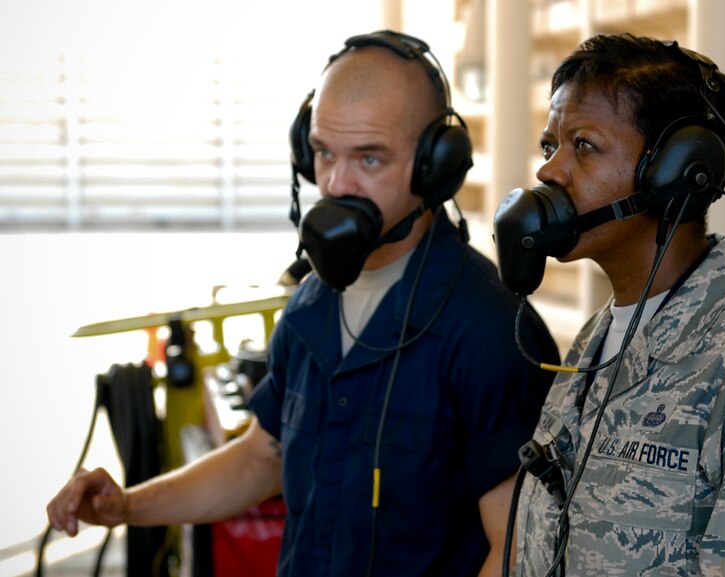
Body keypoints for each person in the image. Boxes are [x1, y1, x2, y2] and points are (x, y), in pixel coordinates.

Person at [46, 30, 559, 577]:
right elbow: (257, 459)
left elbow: (514, 551)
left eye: (369, 158)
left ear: (434, 167)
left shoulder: (491, 330)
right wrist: (128, 505)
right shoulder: (308, 306)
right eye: (322, 153)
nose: (336, 184)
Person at [498, 33, 725, 576]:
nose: (549, 172)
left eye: (584, 145)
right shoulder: (597, 342)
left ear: (674, 173)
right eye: (549, 146)